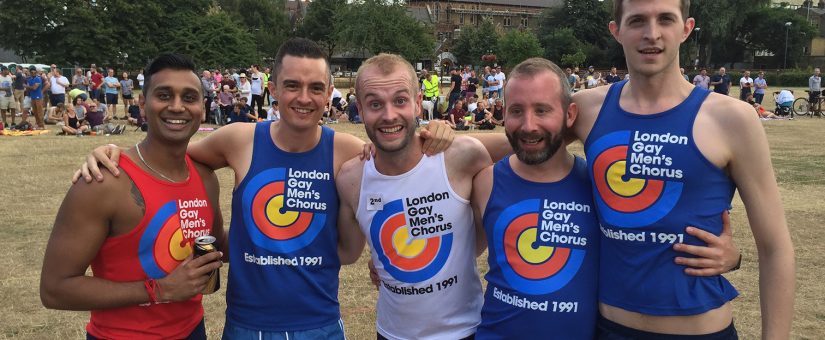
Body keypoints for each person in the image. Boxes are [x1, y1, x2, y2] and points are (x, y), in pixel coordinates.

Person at [75, 38, 451, 339]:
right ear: (272, 89)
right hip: (245, 324)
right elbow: (167, 154)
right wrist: (114, 153)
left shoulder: (349, 152)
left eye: (315, 88)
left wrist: (435, 132)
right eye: (292, 85)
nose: (303, 97)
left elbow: (405, 167)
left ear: (329, 94)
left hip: (317, 324)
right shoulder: (239, 139)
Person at [578, 1, 793, 338]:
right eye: (637, 21)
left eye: (665, 19)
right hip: (607, 327)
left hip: (702, 331)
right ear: (616, 31)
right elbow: (526, 141)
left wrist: (736, 259)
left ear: (686, 28)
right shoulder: (587, 108)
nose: (652, 34)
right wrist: (464, 143)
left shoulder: (732, 119)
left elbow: (776, 247)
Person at [40, 53, 225, 339]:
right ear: (142, 103)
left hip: (193, 330)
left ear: (203, 107)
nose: (177, 107)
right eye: (164, 95)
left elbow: (217, 242)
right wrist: (159, 290)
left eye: (189, 97)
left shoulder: (205, 177)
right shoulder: (103, 182)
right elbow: (55, 289)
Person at [335, 53, 492, 340]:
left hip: (465, 331)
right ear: (359, 108)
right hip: (392, 333)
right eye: (374, 104)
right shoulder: (350, 178)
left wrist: (462, 251)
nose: (389, 115)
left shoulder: (461, 156)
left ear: (418, 103)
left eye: (400, 100)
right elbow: (348, 252)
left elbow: (483, 231)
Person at [472, 57, 600, 339]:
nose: (528, 125)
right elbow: (456, 250)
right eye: (517, 111)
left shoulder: (597, 186)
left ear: (570, 115)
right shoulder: (485, 182)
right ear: (504, 113)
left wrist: (723, 254)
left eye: (542, 110)